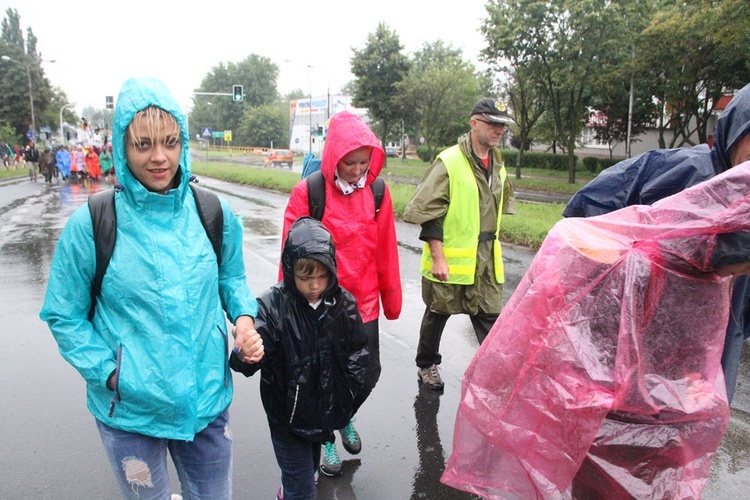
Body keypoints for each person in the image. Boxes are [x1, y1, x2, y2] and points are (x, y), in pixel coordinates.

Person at [441, 161, 750, 499]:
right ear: (725, 238)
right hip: (609, 415)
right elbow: (585, 346)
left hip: (654, 424)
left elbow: (692, 352)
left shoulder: (708, 276)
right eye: (745, 262)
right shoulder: (641, 264)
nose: (743, 271)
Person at [39, 76, 264, 499]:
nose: (160, 158)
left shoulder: (213, 212)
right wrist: (111, 375)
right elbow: (63, 315)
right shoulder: (92, 224)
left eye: (171, 142)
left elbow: (231, 278)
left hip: (207, 406)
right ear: (123, 148)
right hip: (130, 415)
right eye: (143, 145)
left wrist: (245, 321)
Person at [563, 82, 750, 404]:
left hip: (701, 382)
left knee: (675, 443)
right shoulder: (674, 172)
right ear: (737, 129)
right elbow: (585, 219)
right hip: (623, 366)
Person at [281, 110, 402, 476]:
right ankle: (324, 440)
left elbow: (386, 248)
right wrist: (291, 306)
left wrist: (392, 300)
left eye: (364, 162)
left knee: (367, 371)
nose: (357, 169)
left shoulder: (378, 192)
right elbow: (291, 251)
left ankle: (343, 414)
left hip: (362, 305)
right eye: (350, 162)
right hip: (321, 304)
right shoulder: (310, 192)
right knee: (322, 377)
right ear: (335, 157)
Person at [232, 216, 369, 500]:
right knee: (303, 488)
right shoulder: (273, 306)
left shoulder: (343, 303)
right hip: (287, 416)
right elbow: (247, 357)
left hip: (323, 411)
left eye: (322, 276)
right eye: (306, 278)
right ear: (289, 271)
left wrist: (347, 390)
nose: (315, 285)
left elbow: (358, 349)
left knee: (309, 471)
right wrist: (245, 352)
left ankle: (292, 488)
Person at [403, 97, 516, 391]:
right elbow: (430, 213)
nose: (498, 130)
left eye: (502, 125)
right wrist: (438, 257)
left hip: (486, 260)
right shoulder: (450, 161)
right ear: (474, 122)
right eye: (492, 123)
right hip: (452, 259)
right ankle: (426, 365)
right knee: (438, 312)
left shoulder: (499, 165)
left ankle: (498, 377)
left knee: (490, 317)